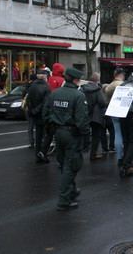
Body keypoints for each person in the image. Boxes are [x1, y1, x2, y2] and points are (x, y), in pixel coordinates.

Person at [42, 68, 90, 211]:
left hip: (58, 132)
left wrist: (51, 129)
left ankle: (72, 191)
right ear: (75, 80)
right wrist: (87, 138)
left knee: (64, 164)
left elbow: (45, 114)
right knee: (72, 165)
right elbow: (82, 121)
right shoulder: (78, 96)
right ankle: (64, 199)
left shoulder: (54, 93)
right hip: (72, 134)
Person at [81, 73, 107, 160]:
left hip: (84, 114)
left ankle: (81, 150)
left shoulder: (82, 88)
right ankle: (93, 154)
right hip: (95, 115)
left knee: (83, 133)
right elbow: (102, 102)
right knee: (96, 135)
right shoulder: (98, 89)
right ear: (97, 81)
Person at [28, 70, 51, 163]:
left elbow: (28, 99)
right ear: (45, 77)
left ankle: (38, 154)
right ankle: (42, 152)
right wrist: (37, 110)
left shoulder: (32, 86)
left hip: (35, 114)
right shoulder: (46, 87)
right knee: (48, 134)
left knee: (38, 134)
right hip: (43, 114)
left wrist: (33, 110)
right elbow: (46, 102)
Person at [105, 68, 125, 165]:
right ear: (122, 75)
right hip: (122, 112)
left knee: (117, 134)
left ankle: (119, 157)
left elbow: (106, 100)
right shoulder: (123, 85)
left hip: (113, 111)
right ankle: (124, 156)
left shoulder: (109, 86)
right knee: (124, 134)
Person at [24, 73, 37, 149]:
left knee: (30, 126)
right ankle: (40, 141)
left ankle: (31, 142)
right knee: (39, 127)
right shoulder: (36, 86)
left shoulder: (27, 86)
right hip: (36, 109)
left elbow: (24, 97)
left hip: (29, 109)